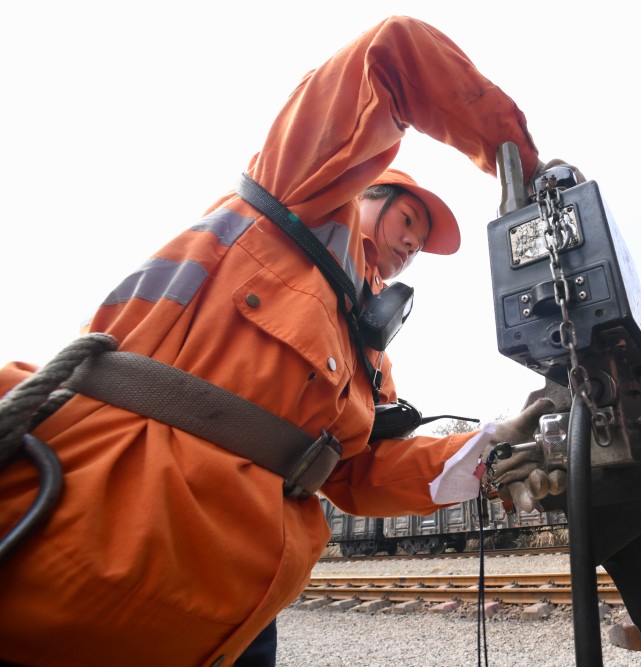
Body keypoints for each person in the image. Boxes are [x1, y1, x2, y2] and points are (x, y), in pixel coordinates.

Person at [0, 16, 570, 666]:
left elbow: (357, 475)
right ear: (361, 194)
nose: (412, 245)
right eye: (408, 219)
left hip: (234, 611)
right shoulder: (293, 200)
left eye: (420, 243)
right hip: (99, 529)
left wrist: (490, 453)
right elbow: (391, 55)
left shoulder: (369, 357)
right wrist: (517, 163)